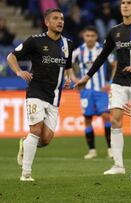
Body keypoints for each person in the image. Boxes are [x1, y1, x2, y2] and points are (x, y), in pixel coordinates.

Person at [75, 0, 131, 175]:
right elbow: (102, 56)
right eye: (123, 3)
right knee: (115, 119)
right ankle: (118, 165)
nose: (125, 5)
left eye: (129, 3)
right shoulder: (114, 31)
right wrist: (86, 76)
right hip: (119, 83)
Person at [7, 8, 74, 181]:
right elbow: (11, 57)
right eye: (55, 18)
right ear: (47, 22)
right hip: (36, 92)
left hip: (54, 97)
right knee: (35, 130)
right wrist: (18, 71)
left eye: (61, 18)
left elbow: (67, 66)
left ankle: (25, 143)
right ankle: (26, 174)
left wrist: (68, 78)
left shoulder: (68, 44)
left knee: (45, 139)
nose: (60, 21)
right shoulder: (35, 41)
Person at [71, 26, 116, 159]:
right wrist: (74, 79)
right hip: (86, 91)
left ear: (96, 37)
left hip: (101, 90)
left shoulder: (102, 49)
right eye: (87, 35)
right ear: (83, 37)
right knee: (87, 119)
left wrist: (110, 82)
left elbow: (116, 64)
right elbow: (68, 65)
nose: (89, 38)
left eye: (92, 36)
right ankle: (92, 150)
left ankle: (110, 149)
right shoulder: (79, 51)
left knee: (106, 116)